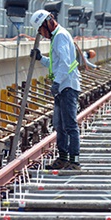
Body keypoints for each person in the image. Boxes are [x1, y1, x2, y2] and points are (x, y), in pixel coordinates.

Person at [30, 10, 81, 170]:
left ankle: (74, 161)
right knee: (59, 125)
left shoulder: (59, 36)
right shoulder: (57, 37)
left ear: (47, 23)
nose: (42, 34)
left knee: (70, 125)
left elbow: (65, 64)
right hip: (62, 87)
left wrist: (57, 83)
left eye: (41, 30)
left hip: (67, 86)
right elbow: (56, 64)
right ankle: (63, 157)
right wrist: (41, 59)